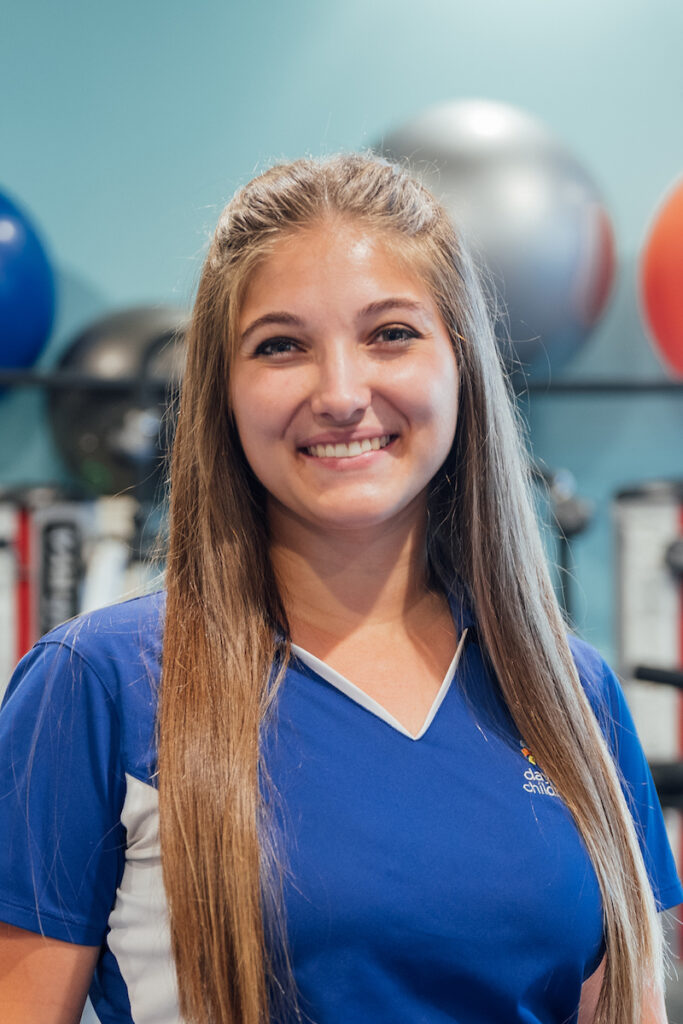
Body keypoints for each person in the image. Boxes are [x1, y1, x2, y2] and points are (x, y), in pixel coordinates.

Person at [0, 153, 681, 1024]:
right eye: (280, 346)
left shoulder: (570, 693)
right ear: (225, 390)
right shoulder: (95, 684)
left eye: (390, 333)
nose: (341, 394)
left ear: (460, 364)